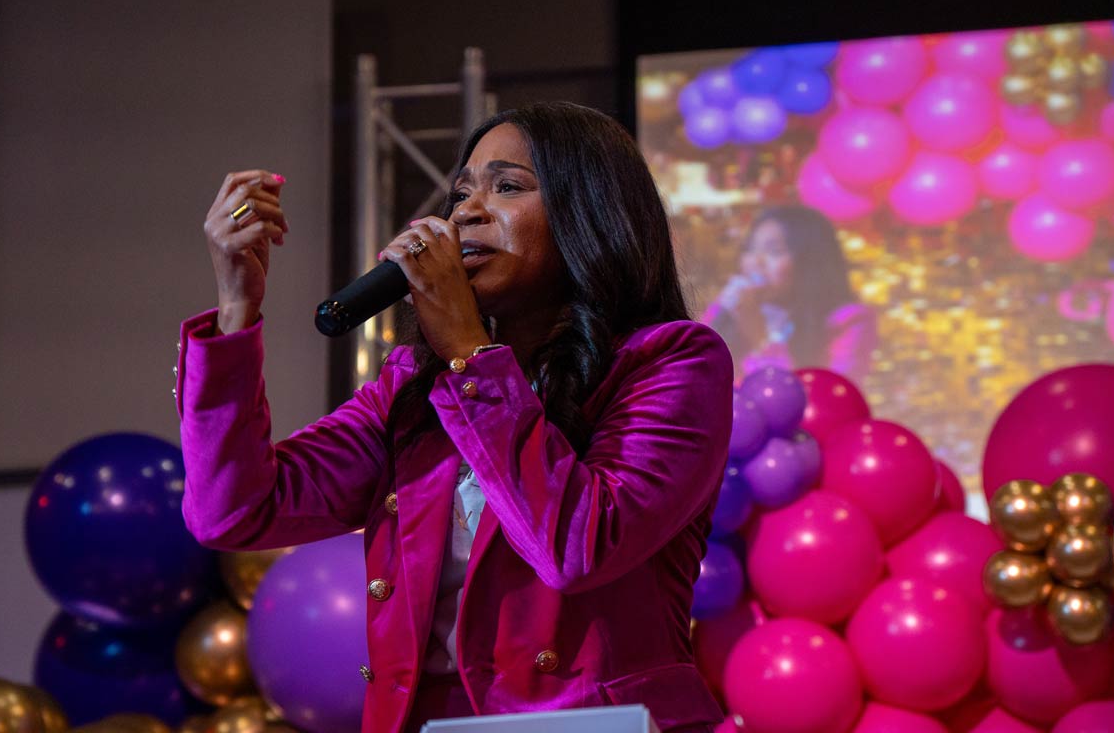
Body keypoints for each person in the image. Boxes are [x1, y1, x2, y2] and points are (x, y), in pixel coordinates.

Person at [176, 102, 733, 733]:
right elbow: (235, 510)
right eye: (461, 193)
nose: (466, 212)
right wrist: (236, 308)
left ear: (591, 213)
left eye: (508, 187)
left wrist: (469, 354)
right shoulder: (415, 386)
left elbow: (580, 546)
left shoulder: (671, 361)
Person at [701, 204, 876, 384]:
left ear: (809, 261)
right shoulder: (734, 307)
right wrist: (720, 313)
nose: (756, 261)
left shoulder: (848, 320)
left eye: (774, 252)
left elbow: (822, 395)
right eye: (750, 249)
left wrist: (761, 340)